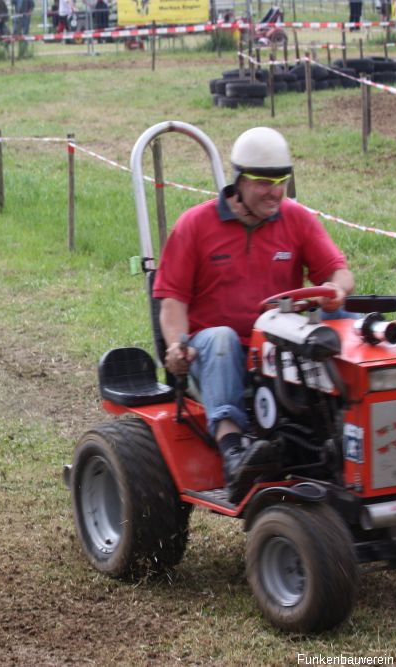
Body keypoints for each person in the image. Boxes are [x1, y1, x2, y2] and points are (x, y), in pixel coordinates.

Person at [152, 127, 354, 503]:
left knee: (344, 320)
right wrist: (177, 347)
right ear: (239, 181)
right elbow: (172, 304)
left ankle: (358, 432)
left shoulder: (296, 220)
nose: (275, 191)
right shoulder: (195, 226)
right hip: (211, 353)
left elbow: (339, 273)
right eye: (264, 182)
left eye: (282, 181)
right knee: (222, 337)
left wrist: (337, 289)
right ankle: (233, 451)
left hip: (277, 348)